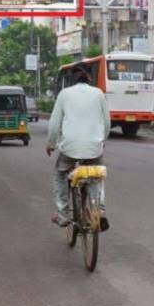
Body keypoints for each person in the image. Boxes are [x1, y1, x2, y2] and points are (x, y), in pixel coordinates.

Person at [46, 62, 110, 228]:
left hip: (69, 149)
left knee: (60, 174)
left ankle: (62, 214)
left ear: (72, 78)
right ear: (90, 78)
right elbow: (107, 122)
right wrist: (102, 140)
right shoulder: (99, 94)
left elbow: (54, 124)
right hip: (94, 148)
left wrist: (51, 144)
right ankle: (100, 210)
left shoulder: (64, 94)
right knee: (97, 177)